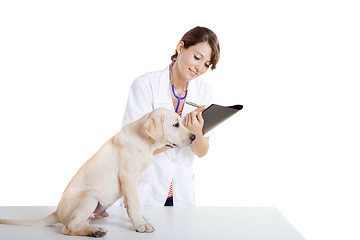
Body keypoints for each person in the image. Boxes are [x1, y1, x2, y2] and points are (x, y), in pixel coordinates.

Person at [119, 26, 220, 207]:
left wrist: (195, 133)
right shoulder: (145, 85)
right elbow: (134, 147)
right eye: (197, 57)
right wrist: (185, 134)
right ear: (181, 48)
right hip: (146, 189)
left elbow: (202, 151)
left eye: (207, 64)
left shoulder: (205, 92)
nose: (200, 67)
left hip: (181, 193)